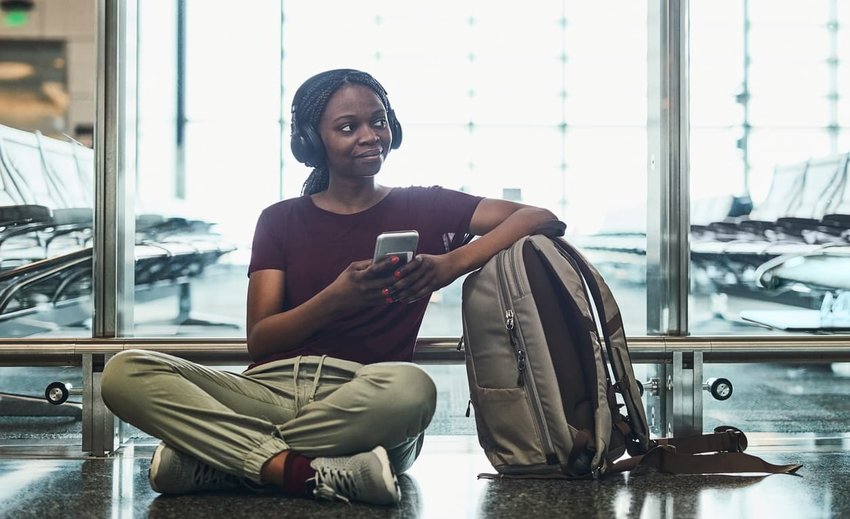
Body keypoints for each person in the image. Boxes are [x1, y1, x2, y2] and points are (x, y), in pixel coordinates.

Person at [100, 68, 565, 506]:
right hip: (267, 392)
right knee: (125, 371)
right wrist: (336, 299)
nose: (370, 136)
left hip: (367, 395)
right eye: (347, 127)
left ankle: (227, 460)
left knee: (413, 389)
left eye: (378, 122)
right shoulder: (279, 219)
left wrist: (450, 264)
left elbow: (540, 217)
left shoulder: (428, 205)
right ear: (311, 141)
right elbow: (262, 339)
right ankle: (306, 470)